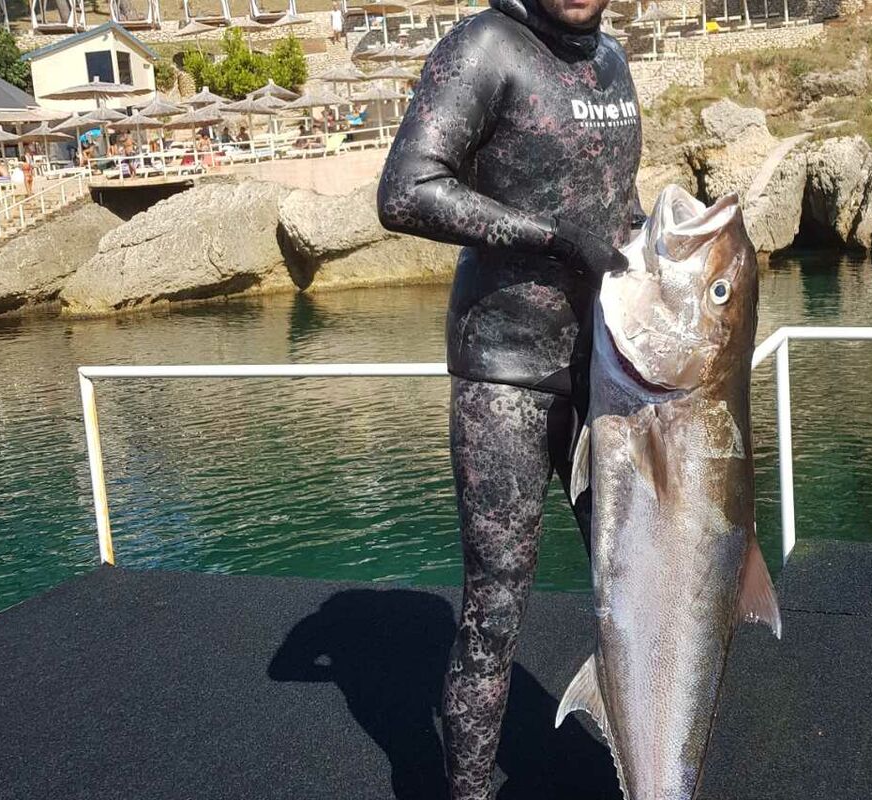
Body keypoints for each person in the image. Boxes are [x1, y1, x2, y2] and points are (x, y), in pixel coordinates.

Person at [376, 0, 643, 797]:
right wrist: (554, 238)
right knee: (494, 612)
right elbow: (405, 191)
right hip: (503, 369)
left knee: (643, 595)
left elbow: (613, 198)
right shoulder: (486, 45)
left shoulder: (611, 60)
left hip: (606, 368)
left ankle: (650, 777)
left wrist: (651, 239)